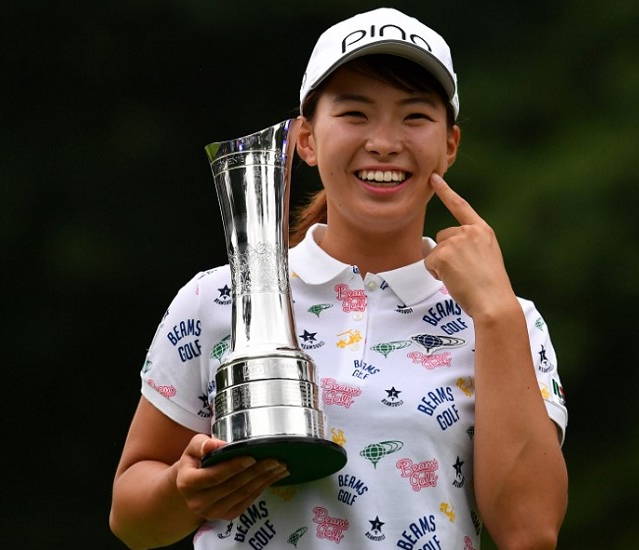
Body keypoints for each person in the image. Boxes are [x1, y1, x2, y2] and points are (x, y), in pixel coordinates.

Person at [110, 7, 568, 550]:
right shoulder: (215, 298)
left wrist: (495, 314)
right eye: (354, 113)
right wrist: (182, 491)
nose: (384, 142)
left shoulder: (506, 319)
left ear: (450, 144)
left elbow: (530, 532)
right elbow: (130, 516)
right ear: (305, 139)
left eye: (415, 116)